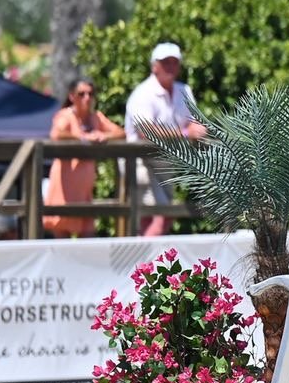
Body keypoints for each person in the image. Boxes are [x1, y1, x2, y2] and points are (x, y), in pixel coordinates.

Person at [125, 41, 207, 237]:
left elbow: (194, 123)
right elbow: (146, 132)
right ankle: (145, 264)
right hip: (139, 160)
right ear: (155, 66)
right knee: (156, 215)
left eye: (174, 62)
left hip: (165, 161)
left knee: (164, 214)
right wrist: (186, 133)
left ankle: (146, 263)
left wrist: (195, 130)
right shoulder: (143, 93)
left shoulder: (183, 90)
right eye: (165, 62)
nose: (170, 67)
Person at [42, 78, 122, 238]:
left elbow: (120, 133)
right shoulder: (65, 115)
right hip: (64, 188)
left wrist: (103, 135)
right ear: (72, 96)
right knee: (62, 243)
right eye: (82, 94)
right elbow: (57, 133)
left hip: (84, 190)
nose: (87, 98)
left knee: (88, 240)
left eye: (91, 94)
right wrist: (83, 138)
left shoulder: (96, 118)